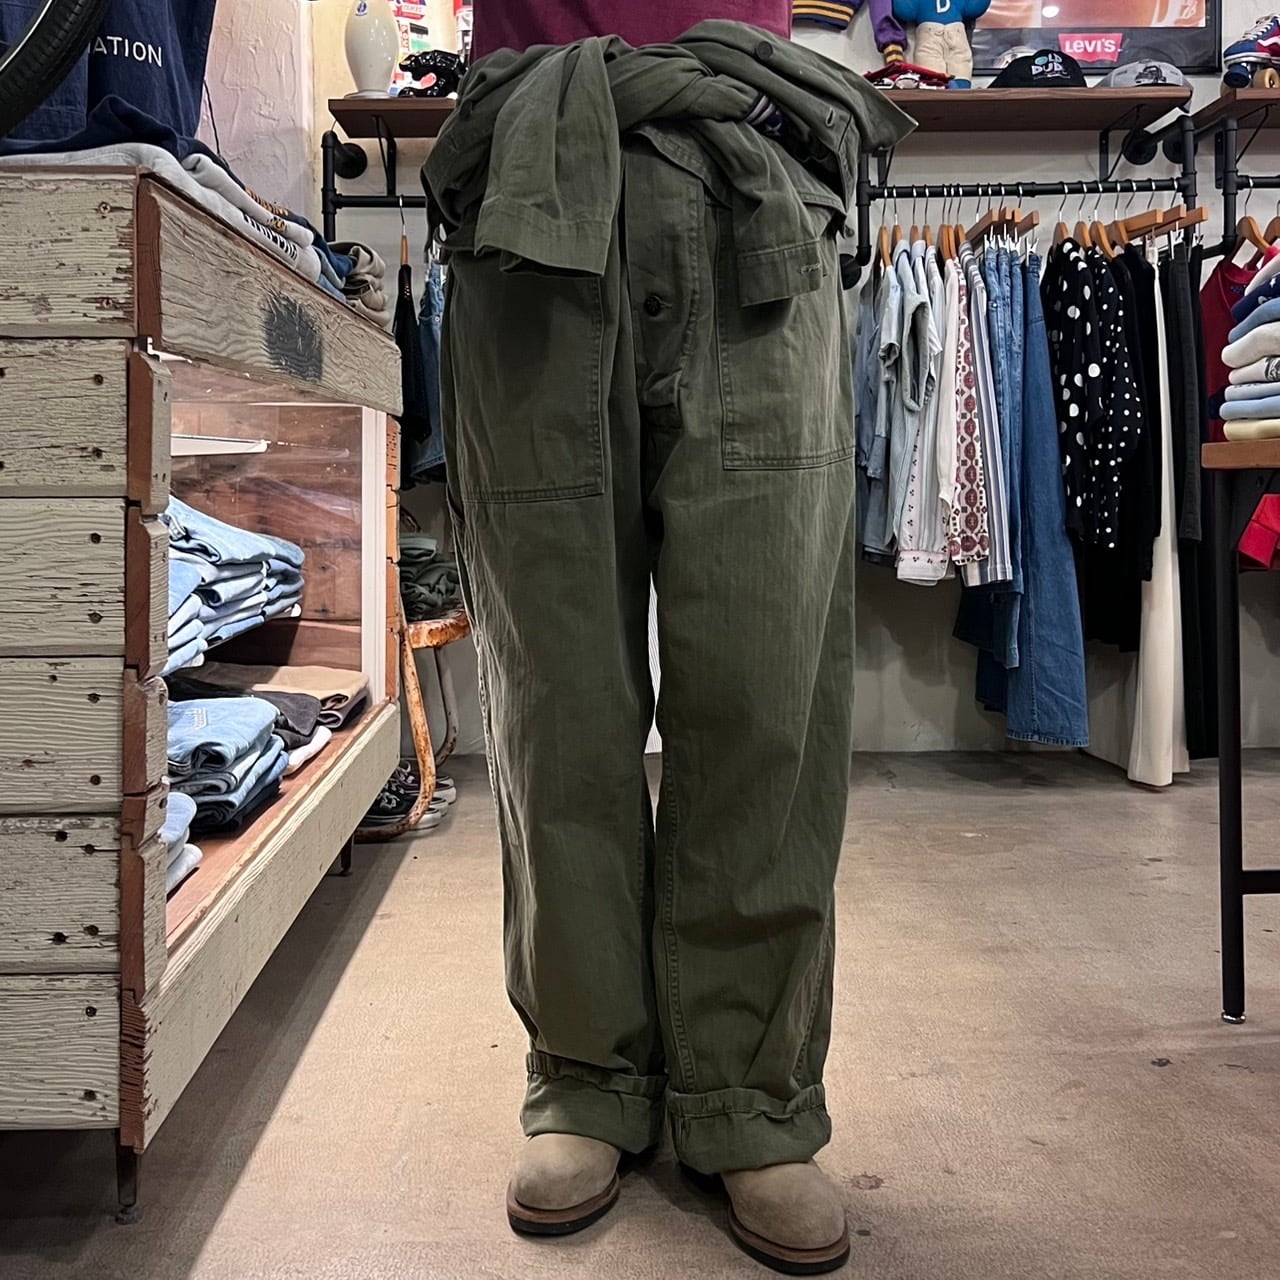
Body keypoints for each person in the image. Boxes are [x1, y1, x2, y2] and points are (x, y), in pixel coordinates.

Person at [424, 4, 912, 1273]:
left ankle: (748, 1093)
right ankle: (585, 1074)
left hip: (750, 173)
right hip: (534, 183)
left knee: (763, 689)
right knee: (557, 695)